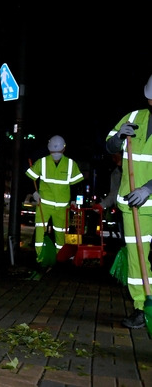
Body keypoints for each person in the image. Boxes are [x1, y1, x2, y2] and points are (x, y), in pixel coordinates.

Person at [105, 74, 152, 329]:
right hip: (135, 205)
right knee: (137, 259)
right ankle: (141, 307)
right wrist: (118, 138)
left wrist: (149, 188)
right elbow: (110, 147)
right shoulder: (132, 118)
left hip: (143, 196)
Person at [25, 135, 84, 259]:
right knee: (45, 232)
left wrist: (74, 199)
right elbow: (77, 185)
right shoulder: (47, 162)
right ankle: (43, 257)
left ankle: (57, 258)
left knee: (59, 233)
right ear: (64, 148)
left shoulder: (66, 164)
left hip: (57, 206)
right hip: (46, 204)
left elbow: (77, 184)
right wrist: (34, 193)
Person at [92, 152, 124, 242]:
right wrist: (102, 205)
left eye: (115, 155)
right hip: (122, 210)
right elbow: (114, 193)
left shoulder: (132, 171)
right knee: (127, 240)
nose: (114, 159)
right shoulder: (115, 173)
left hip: (136, 208)